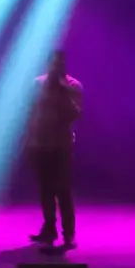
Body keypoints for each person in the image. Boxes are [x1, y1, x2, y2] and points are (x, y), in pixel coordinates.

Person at [25, 50, 85, 252]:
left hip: (61, 145)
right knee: (45, 189)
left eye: (59, 62)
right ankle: (49, 229)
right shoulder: (37, 84)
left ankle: (69, 232)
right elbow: (29, 113)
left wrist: (62, 93)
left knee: (63, 191)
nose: (55, 66)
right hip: (40, 144)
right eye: (52, 62)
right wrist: (29, 139)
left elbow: (76, 114)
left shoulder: (72, 86)